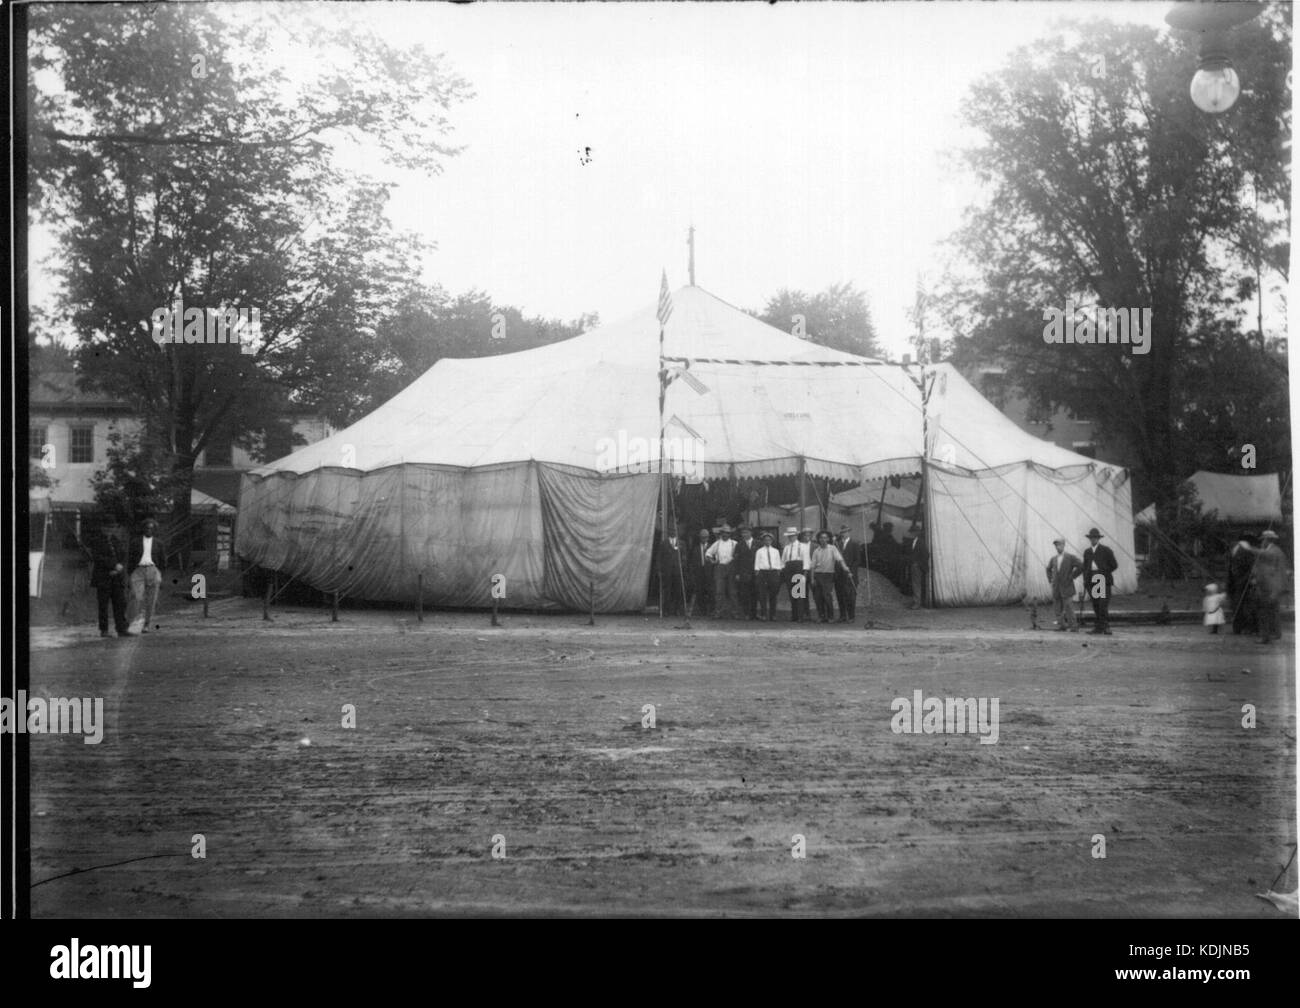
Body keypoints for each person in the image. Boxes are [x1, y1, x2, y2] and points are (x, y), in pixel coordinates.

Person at [1244, 530, 1288, 644]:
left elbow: (1264, 555)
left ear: (1267, 540)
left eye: (1263, 539)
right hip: (1274, 586)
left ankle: (1265, 637)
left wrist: (1250, 548)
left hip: (1269, 587)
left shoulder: (1273, 551)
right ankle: (1276, 633)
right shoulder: (1276, 551)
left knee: (1264, 612)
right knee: (1273, 611)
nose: (1262, 542)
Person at [90, 517, 131, 638]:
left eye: (112, 527)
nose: (110, 530)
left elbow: (123, 556)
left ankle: (121, 629)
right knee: (103, 605)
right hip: (103, 577)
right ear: (102, 528)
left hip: (117, 578)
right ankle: (104, 630)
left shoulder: (116, 541)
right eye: (107, 527)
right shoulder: (97, 541)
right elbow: (98, 558)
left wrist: (120, 568)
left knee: (120, 603)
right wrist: (113, 566)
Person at [127, 517, 166, 633]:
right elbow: (130, 559)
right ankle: (133, 623)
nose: (149, 530)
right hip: (138, 570)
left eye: (151, 528)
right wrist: (130, 574)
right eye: (147, 528)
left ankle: (146, 624)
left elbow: (163, 560)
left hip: (153, 570)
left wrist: (160, 574)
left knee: (151, 599)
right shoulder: (135, 542)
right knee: (136, 597)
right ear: (143, 529)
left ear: (154, 530)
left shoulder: (159, 543)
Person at [1081, 527, 1117, 635]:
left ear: (1098, 539)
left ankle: (1106, 626)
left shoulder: (1106, 550)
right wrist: (1085, 580)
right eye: (1091, 538)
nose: (1093, 540)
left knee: (1102, 604)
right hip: (1092, 579)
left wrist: (1104, 572)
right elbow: (1085, 566)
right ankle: (1098, 627)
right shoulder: (1087, 552)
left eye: (1095, 538)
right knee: (1096, 604)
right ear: (1089, 539)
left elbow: (1114, 565)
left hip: (1102, 579)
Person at [1046, 537, 1083, 632]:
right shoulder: (1053, 559)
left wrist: (1072, 576)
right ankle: (1062, 625)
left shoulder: (1070, 557)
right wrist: (1050, 580)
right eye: (1056, 545)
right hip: (1056, 588)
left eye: (1059, 545)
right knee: (1057, 608)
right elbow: (1048, 569)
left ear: (1063, 545)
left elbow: (1081, 566)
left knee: (1069, 607)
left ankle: (1073, 626)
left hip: (1067, 587)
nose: (1057, 547)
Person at [810, 531, 848, 623]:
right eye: (821, 538)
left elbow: (840, 559)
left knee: (827, 596)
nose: (823, 539)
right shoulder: (816, 550)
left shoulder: (833, 548)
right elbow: (812, 566)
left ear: (828, 539)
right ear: (818, 539)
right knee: (818, 597)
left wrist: (845, 567)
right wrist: (812, 578)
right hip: (818, 575)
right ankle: (821, 616)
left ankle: (830, 617)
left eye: (825, 538)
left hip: (828, 575)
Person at [1227, 533, 1259, 636]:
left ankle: (1241, 627)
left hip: (1239, 582)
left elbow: (1248, 568)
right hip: (1240, 582)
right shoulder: (1243, 550)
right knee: (1243, 605)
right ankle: (1244, 627)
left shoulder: (1240, 549)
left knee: (1240, 605)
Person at [705, 524, 738, 619]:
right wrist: (712, 561)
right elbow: (708, 553)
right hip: (720, 568)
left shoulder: (734, 543)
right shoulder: (717, 543)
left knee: (732, 591)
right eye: (723, 533)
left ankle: (735, 612)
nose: (725, 535)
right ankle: (718, 612)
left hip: (731, 568)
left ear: (730, 534)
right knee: (719, 591)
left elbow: (738, 555)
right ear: (721, 534)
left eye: (727, 533)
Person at [782, 526, 812, 623]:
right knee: (792, 594)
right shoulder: (786, 547)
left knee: (799, 593)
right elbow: (783, 561)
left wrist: (805, 572)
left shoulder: (803, 546)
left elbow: (806, 560)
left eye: (793, 536)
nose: (791, 538)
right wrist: (783, 570)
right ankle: (794, 615)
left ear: (796, 536)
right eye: (789, 536)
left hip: (799, 568)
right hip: (789, 569)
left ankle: (800, 616)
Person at [657, 527, 687, 617]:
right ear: (668, 532)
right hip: (667, 570)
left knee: (678, 590)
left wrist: (683, 566)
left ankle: (677, 610)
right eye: (671, 530)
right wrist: (659, 569)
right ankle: (666, 610)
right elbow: (659, 557)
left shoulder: (682, 543)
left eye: (674, 530)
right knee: (667, 590)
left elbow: (684, 556)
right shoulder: (663, 543)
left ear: (677, 531)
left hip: (678, 571)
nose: (673, 532)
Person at [753, 531, 783, 621]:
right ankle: (764, 615)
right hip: (762, 573)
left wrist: (778, 571)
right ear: (763, 541)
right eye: (765, 540)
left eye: (769, 540)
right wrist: (757, 572)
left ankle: (773, 615)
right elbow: (757, 562)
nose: (767, 541)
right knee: (762, 595)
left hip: (773, 573)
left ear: (772, 541)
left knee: (773, 595)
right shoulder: (759, 551)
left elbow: (778, 562)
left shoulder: (776, 551)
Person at [733, 525, 758, 621]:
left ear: (751, 533)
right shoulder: (739, 545)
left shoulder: (758, 543)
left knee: (755, 593)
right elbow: (736, 560)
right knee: (745, 594)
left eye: (746, 532)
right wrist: (737, 573)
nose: (744, 534)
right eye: (743, 533)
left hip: (755, 572)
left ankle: (754, 614)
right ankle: (747, 613)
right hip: (744, 572)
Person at [687, 527, 713, 617]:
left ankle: (711, 610)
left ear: (708, 537)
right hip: (699, 573)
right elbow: (692, 562)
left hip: (709, 573)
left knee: (710, 591)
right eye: (702, 537)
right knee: (700, 592)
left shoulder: (712, 547)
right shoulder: (695, 549)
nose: (704, 539)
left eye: (705, 537)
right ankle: (703, 611)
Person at [907, 522, 928, 609]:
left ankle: (917, 603)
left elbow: (926, 554)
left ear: (916, 533)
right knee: (915, 583)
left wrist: (918, 564)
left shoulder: (921, 542)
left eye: (912, 532)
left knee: (916, 584)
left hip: (917, 566)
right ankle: (917, 600)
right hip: (914, 565)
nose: (911, 533)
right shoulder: (914, 541)